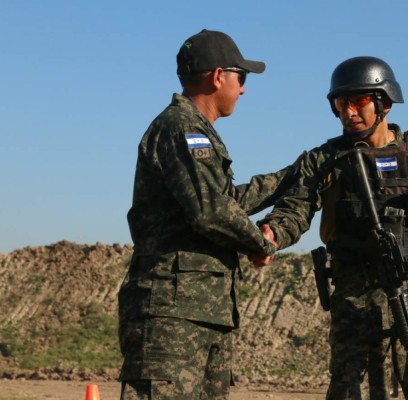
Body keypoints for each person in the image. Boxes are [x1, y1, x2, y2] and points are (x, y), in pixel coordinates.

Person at [256, 56, 408, 399]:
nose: (348, 112)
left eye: (358, 101)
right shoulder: (327, 160)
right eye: (341, 103)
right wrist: (273, 234)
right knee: (348, 388)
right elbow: (295, 208)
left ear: (384, 103)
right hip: (355, 297)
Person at [118, 29, 301, 400]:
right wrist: (259, 244)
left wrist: (292, 176)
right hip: (172, 317)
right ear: (219, 76)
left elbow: (224, 198)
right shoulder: (182, 128)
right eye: (241, 77)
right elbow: (211, 211)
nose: (244, 89)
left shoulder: (196, 132)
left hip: (202, 312)